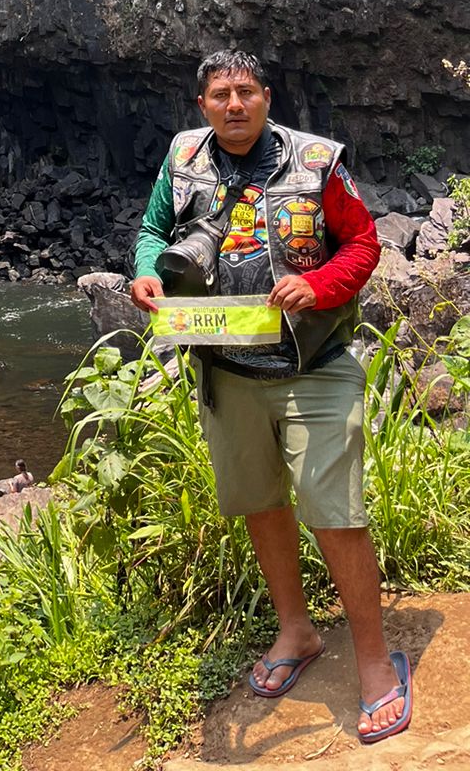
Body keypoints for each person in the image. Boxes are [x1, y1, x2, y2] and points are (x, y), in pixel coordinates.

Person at [130, 49, 409, 744]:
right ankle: (297, 633)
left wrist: (318, 287)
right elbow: (151, 233)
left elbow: (364, 243)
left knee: (335, 511)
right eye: (219, 94)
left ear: (265, 97)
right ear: (202, 105)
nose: (233, 104)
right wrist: (143, 275)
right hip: (226, 370)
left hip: (313, 361)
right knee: (259, 501)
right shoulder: (182, 157)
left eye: (245, 92)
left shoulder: (316, 161)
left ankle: (374, 664)